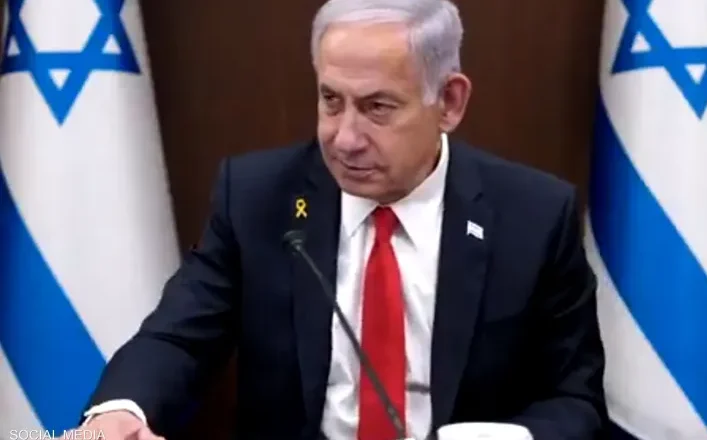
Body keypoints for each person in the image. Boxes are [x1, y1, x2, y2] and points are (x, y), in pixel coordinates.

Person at [71, 0, 607, 438]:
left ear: (448, 101)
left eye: (377, 107)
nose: (344, 138)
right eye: (331, 100)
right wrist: (122, 410)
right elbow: (179, 338)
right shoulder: (257, 199)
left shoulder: (533, 217)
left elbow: (575, 401)